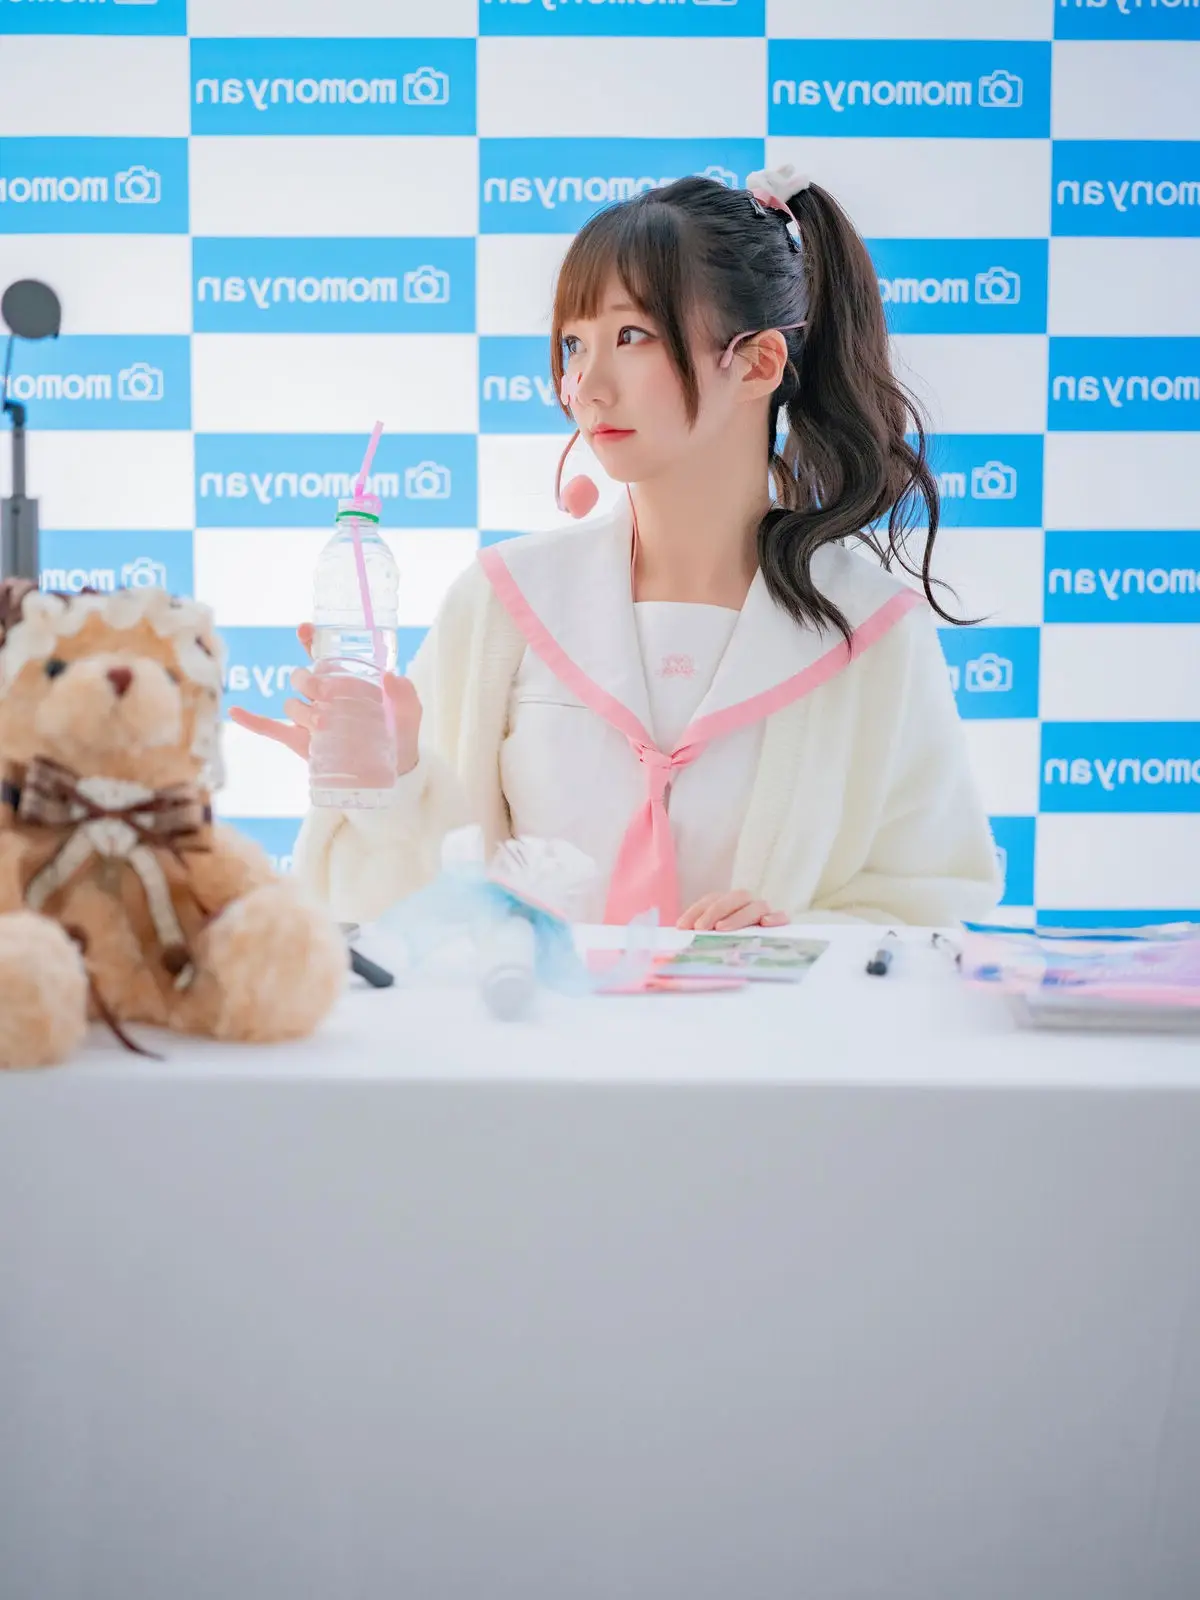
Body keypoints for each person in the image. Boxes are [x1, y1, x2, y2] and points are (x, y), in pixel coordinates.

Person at [233, 165, 1002, 933]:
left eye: (632, 336)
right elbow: (415, 922)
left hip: (760, 1021)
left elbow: (932, 905)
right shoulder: (506, 599)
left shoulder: (870, 629)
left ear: (759, 362)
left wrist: (791, 937)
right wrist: (391, 781)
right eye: (575, 343)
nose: (586, 386)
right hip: (537, 1017)